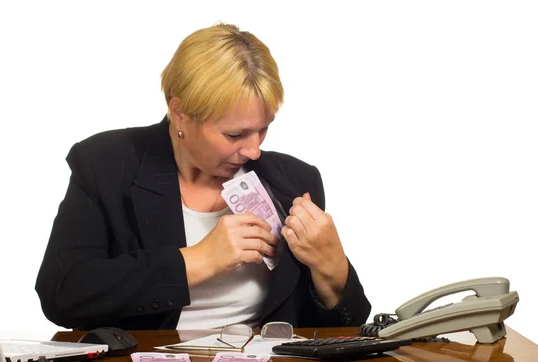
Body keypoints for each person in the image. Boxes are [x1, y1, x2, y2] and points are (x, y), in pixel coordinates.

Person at [35, 23, 371, 331]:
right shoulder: (106, 163)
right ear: (179, 113)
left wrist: (333, 270)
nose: (254, 151)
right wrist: (198, 260)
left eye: (263, 129)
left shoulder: (296, 180)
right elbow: (63, 294)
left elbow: (335, 331)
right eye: (234, 135)